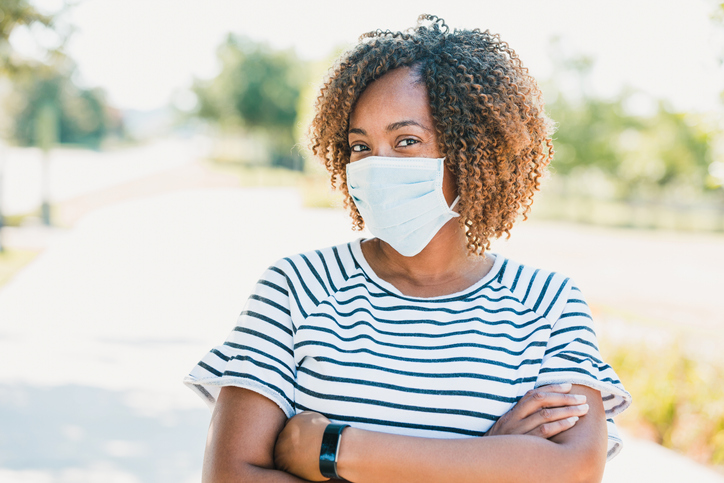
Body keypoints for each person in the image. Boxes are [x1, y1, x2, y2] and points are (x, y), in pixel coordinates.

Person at [184, 14, 631, 483]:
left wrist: (331, 449)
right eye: (360, 146)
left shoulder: (549, 305)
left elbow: (576, 472)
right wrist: (491, 459)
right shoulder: (295, 289)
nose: (377, 165)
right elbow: (231, 476)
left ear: (472, 151)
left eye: (407, 141)